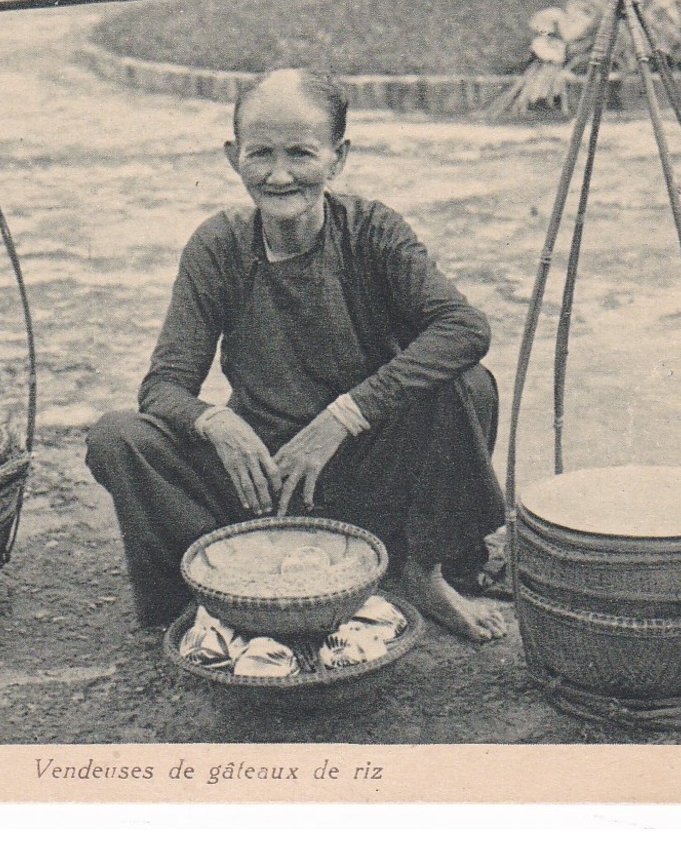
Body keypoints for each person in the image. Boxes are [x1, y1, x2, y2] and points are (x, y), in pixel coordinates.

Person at [85, 70, 508, 641]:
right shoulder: (218, 245)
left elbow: (463, 327)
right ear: (232, 157)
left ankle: (419, 573)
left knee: (466, 383)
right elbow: (163, 386)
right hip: (263, 480)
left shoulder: (372, 232)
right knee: (118, 436)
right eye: (259, 154)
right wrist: (216, 422)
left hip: (364, 470)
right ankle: (206, 601)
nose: (279, 175)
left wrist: (342, 417)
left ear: (338, 158)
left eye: (301, 154)